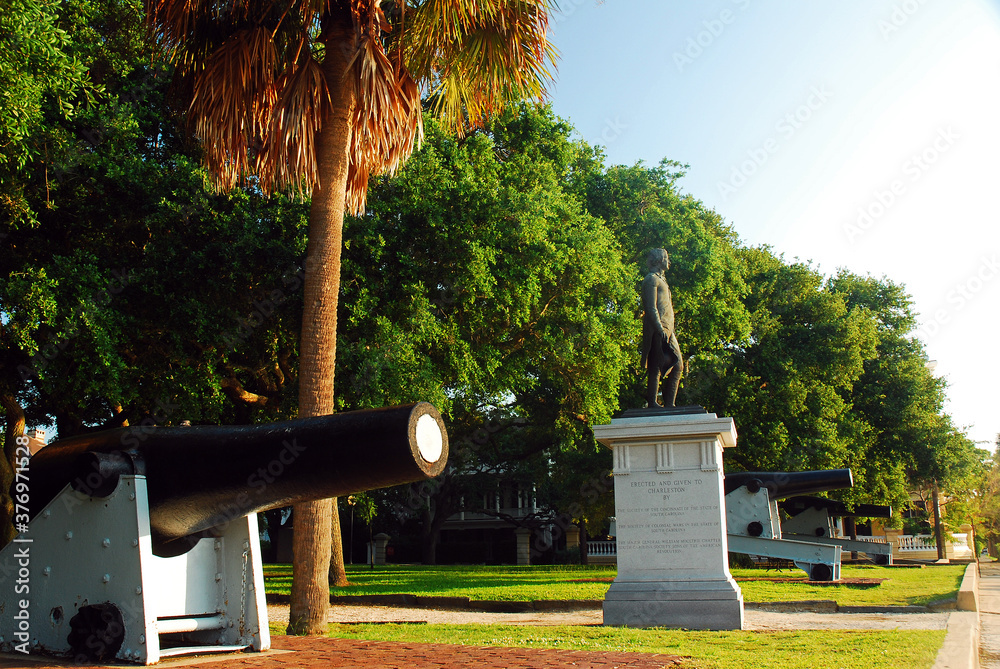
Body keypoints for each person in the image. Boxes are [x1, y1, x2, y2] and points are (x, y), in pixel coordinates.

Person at [640, 248, 683, 408]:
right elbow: (651, 307)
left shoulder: (661, 280)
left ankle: (670, 405)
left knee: (677, 366)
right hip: (659, 329)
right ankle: (653, 403)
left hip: (668, 330)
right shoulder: (651, 279)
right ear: (659, 260)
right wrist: (659, 328)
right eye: (666, 258)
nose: (668, 261)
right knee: (657, 365)